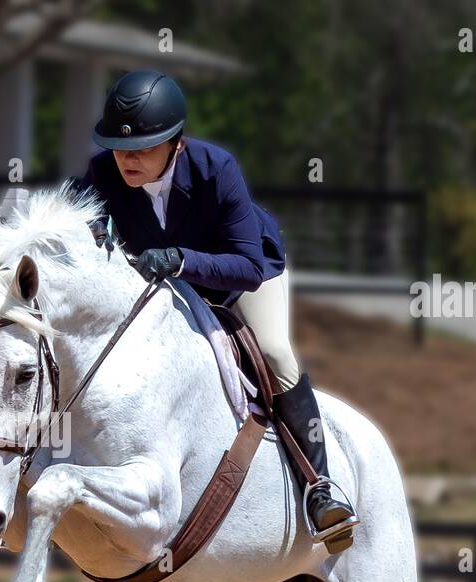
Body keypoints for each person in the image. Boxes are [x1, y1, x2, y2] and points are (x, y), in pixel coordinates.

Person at [70, 69, 357, 541]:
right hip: (167, 281)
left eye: (142, 147)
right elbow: (74, 227)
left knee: (275, 353)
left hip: (242, 276)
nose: (127, 158)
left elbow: (246, 265)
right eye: (120, 147)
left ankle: (320, 488)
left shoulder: (215, 168)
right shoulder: (102, 172)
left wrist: (181, 260)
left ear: (175, 143)